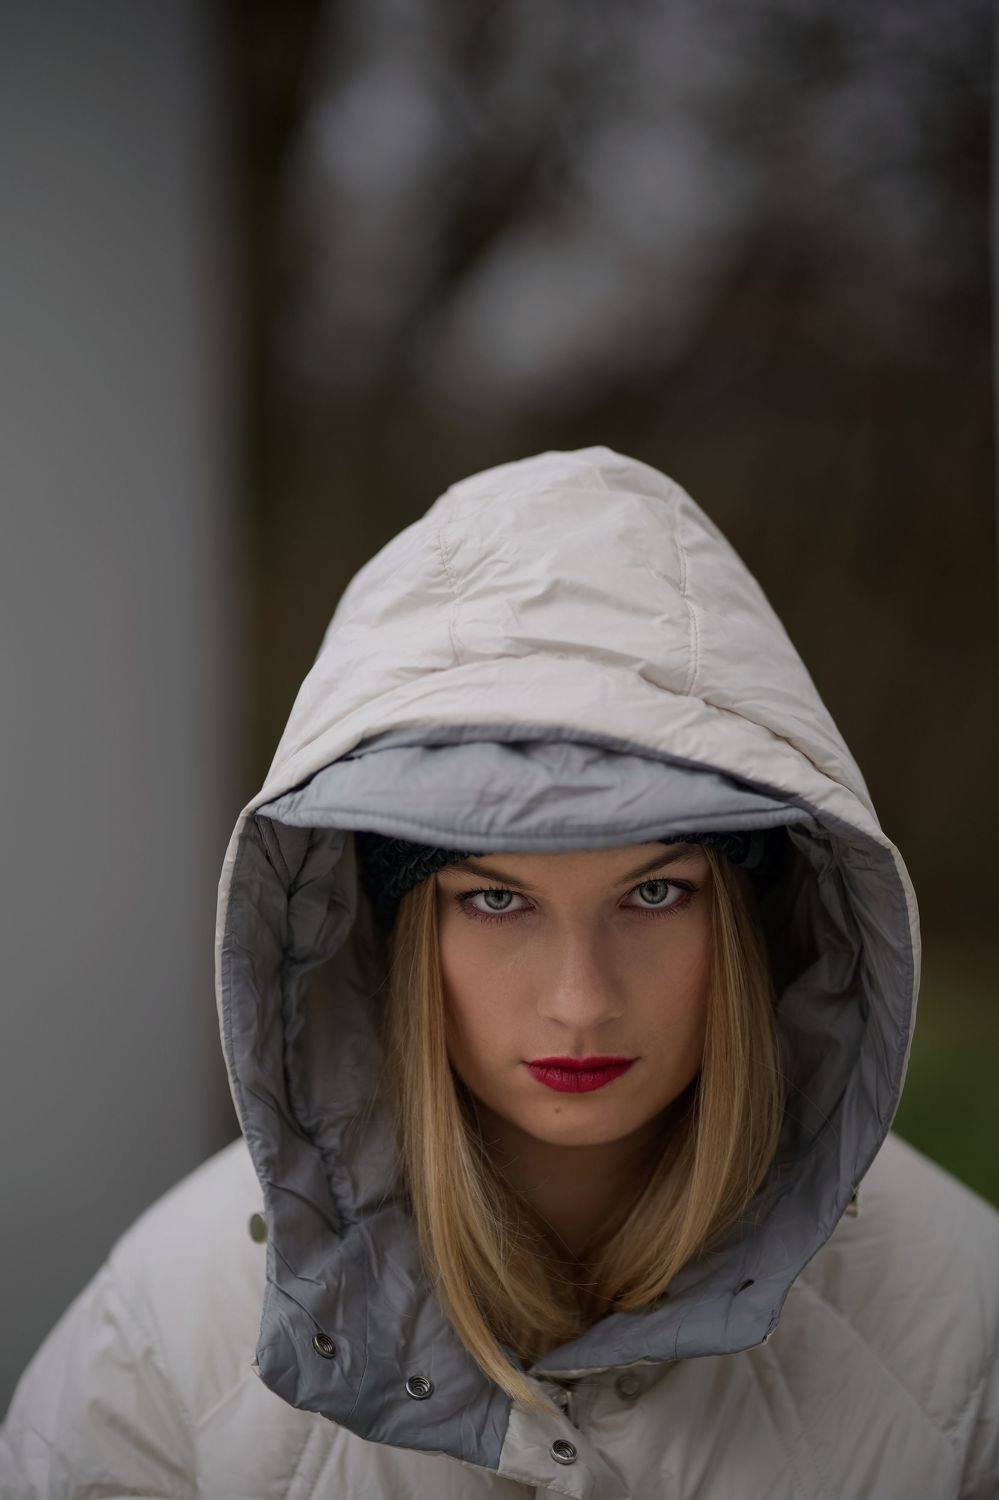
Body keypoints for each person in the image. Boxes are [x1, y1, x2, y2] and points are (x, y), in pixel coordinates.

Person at [1, 445, 996, 1498]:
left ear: (762, 920)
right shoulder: (170, 1327)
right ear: (383, 928)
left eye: (655, 894)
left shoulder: (960, 1328)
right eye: (495, 899)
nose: (579, 1000)